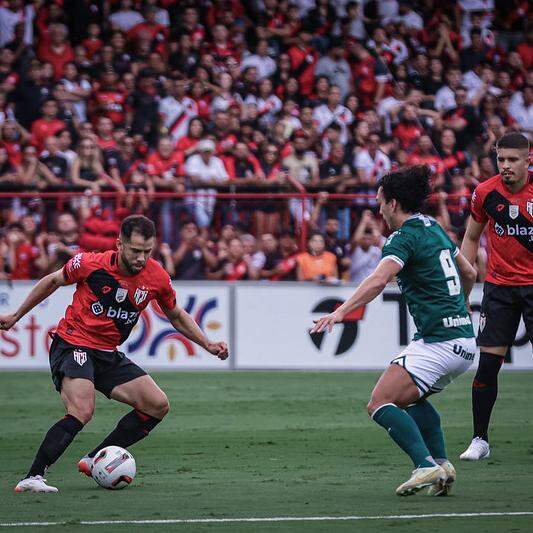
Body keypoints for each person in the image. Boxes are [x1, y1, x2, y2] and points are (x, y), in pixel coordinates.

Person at [0, 215, 228, 493]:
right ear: (119, 244)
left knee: (157, 405)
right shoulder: (89, 264)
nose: (141, 258)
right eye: (135, 251)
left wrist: (207, 344)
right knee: (82, 410)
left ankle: (94, 458)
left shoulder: (156, 277)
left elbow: (176, 315)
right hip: (73, 343)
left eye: (147, 251)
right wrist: (15, 315)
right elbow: (52, 281)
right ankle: (33, 476)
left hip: (107, 353)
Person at [311, 165, 477, 496]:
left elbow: (377, 280)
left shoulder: (403, 237)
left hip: (439, 342)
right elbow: (470, 272)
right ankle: (442, 466)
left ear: (394, 203)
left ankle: (424, 465)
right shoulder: (434, 227)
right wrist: (461, 307)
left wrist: (342, 311)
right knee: (412, 400)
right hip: (464, 342)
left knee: (380, 402)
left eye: (380, 202)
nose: (379, 209)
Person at [459, 133, 533, 461]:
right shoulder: (485, 193)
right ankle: (480, 439)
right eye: (501, 159)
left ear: (528, 160)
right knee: (487, 365)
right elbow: (471, 239)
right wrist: (464, 286)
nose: (505, 166)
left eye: (513, 160)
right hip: (499, 288)